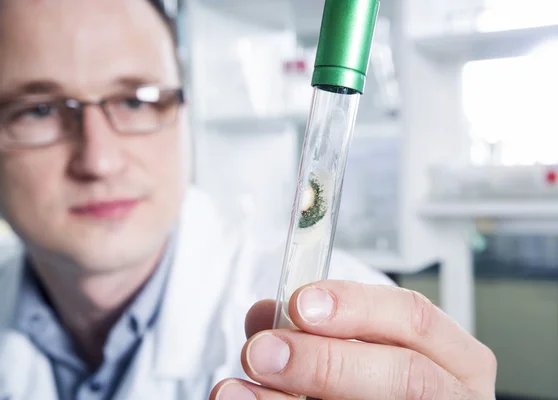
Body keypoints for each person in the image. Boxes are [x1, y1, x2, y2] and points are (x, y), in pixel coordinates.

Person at [0, 0, 497, 399]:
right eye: (38, 110)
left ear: (182, 111)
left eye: (136, 99)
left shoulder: (344, 326)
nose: (99, 160)